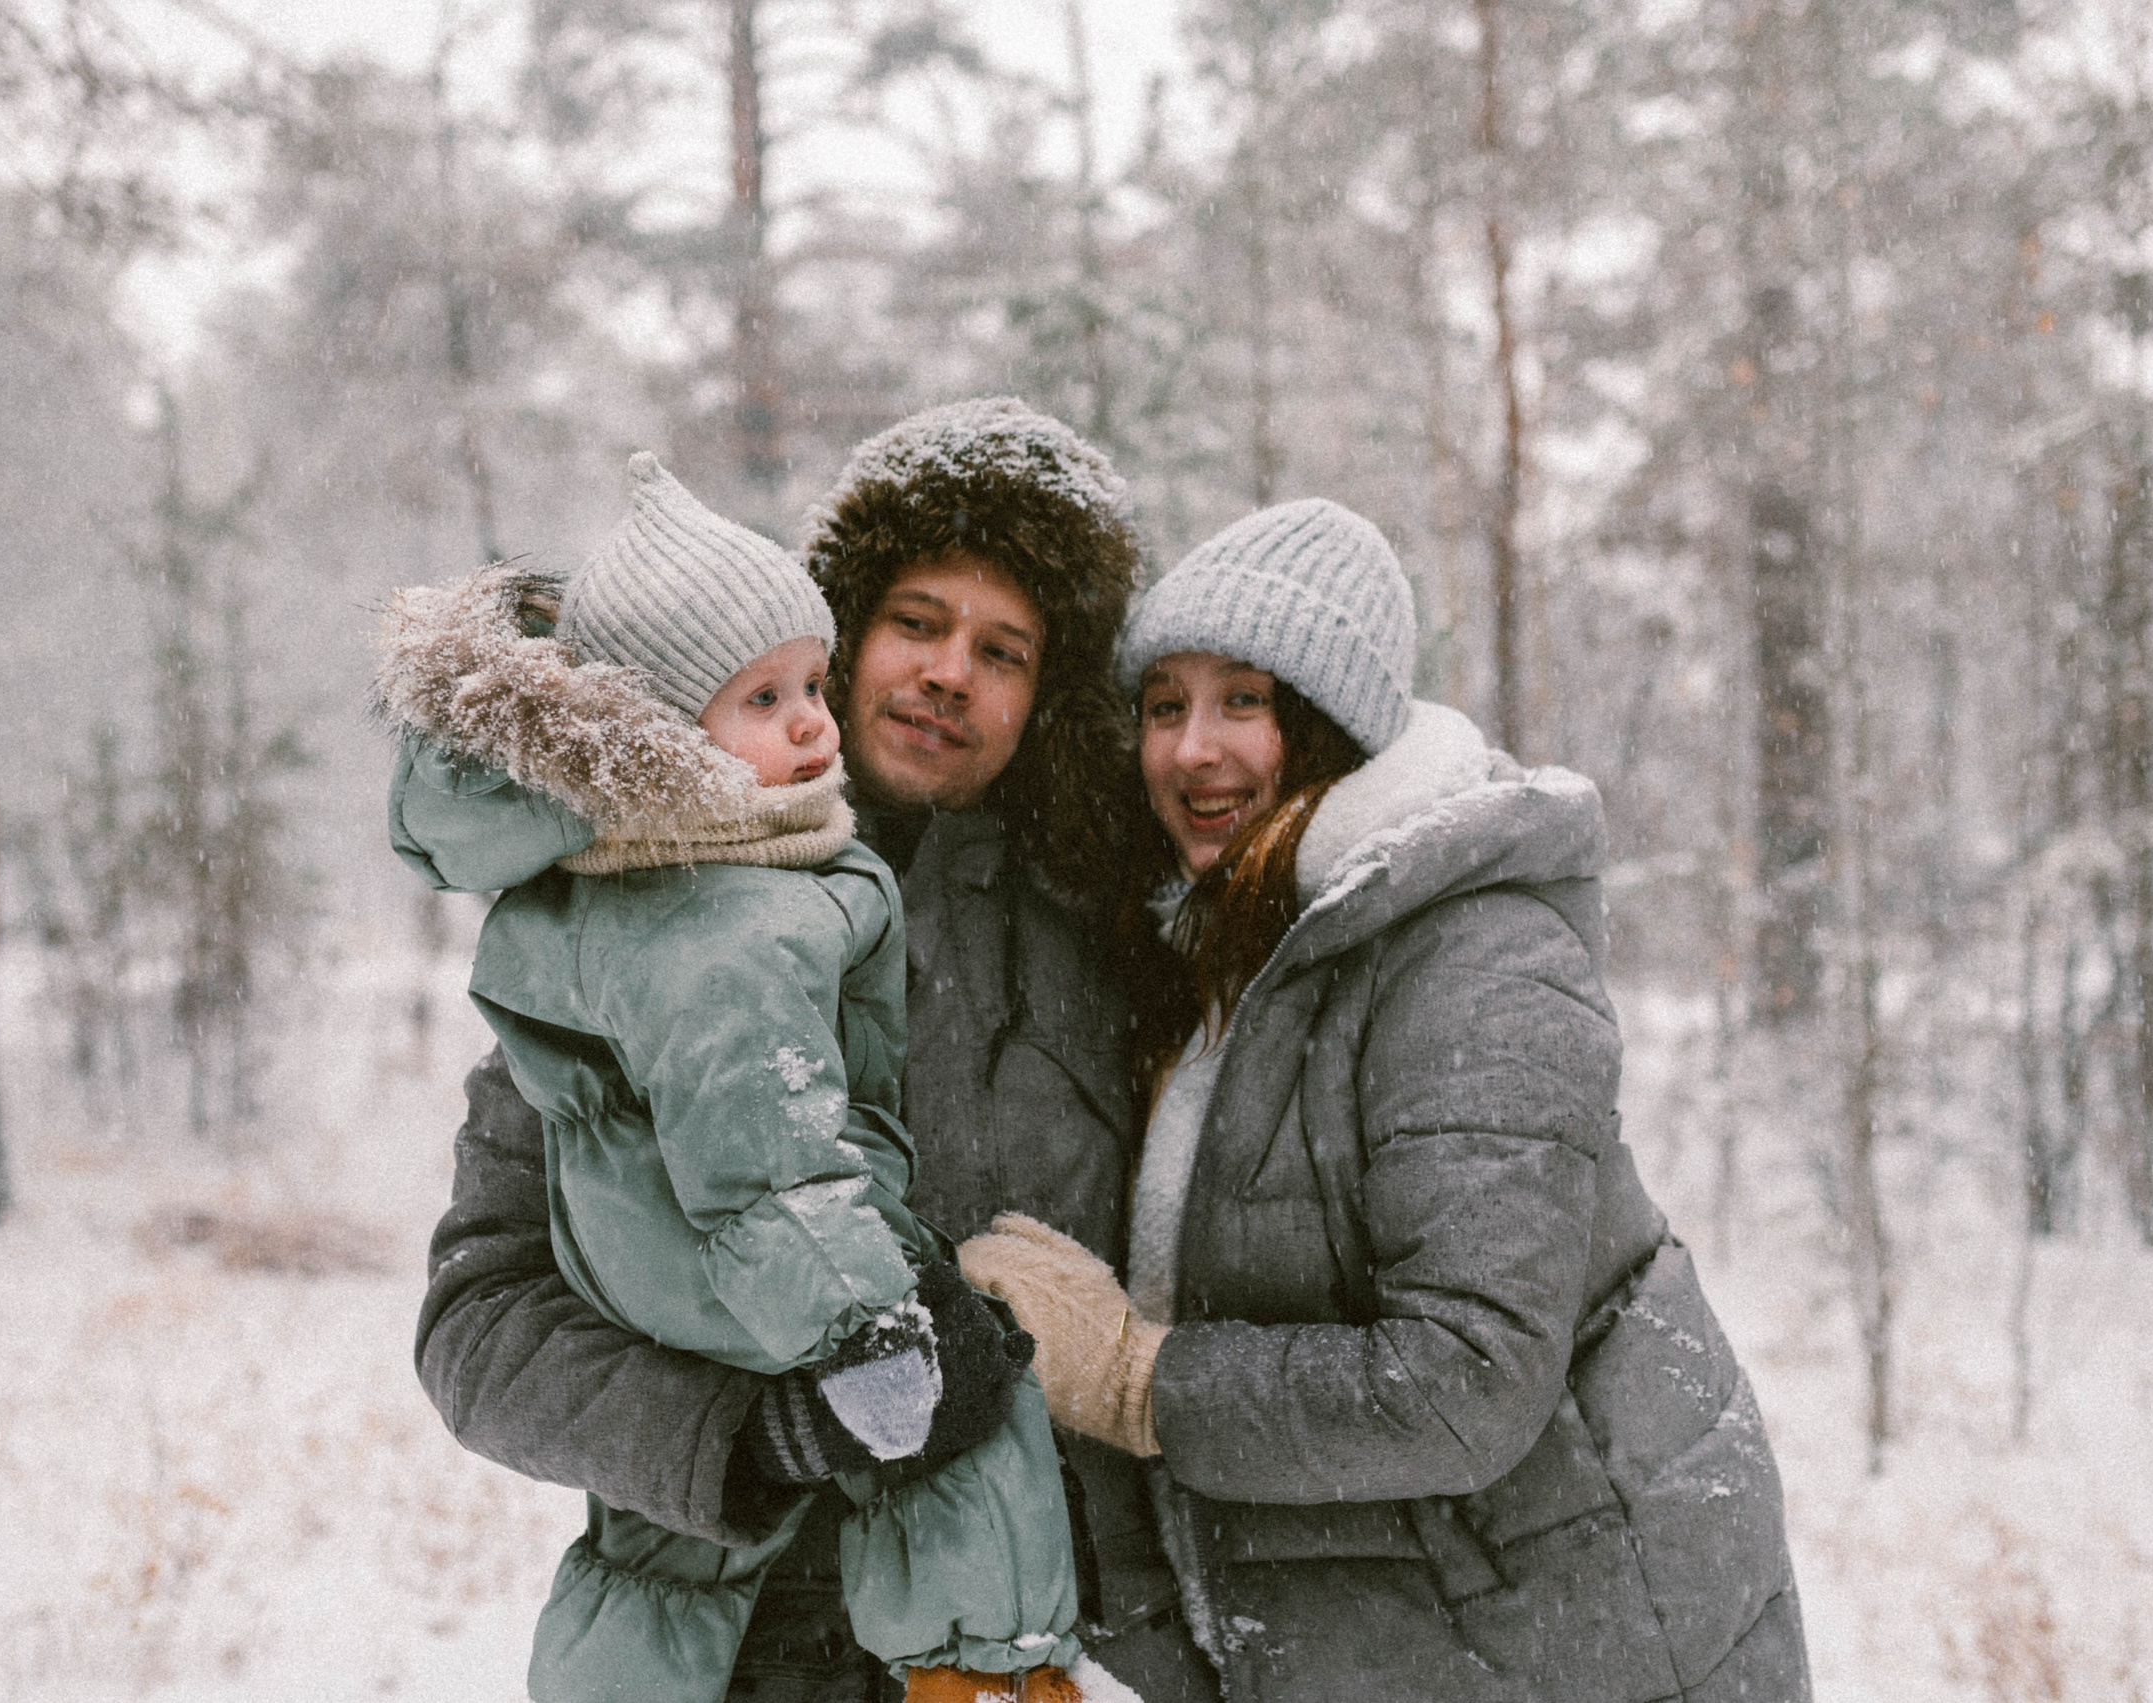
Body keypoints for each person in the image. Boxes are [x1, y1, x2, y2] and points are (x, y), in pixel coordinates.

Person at [410, 400, 1221, 1702]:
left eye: (1002, 649)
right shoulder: (629, 912)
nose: (949, 671)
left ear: (1047, 693)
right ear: (839, 631)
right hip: (737, 1642)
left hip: (1032, 1628)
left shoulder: (1119, 936)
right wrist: (754, 1435)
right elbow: (480, 1323)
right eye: (916, 621)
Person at [960, 498, 1813, 1702]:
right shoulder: (1230, 945)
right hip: (1429, 1631)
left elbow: (1469, 1374)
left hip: (1580, 1635)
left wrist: (1139, 1378)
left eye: (1243, 701)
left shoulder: (1473, 951)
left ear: (1333, 725)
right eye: (1163, 705)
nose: (1190, 749)